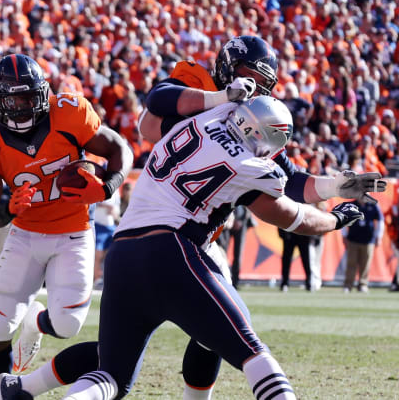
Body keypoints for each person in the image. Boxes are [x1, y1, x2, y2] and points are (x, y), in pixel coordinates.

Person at [0, 35, 386, 400]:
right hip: (178, 242)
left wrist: (335, 187)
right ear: (228, 70)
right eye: (250, 79)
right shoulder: (221, 117)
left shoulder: (202, 119)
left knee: (115, 371)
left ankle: (22, 388)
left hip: (134, 243)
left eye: (262, 85)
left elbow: (163, 123)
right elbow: (286, 208)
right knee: (245, 341)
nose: (256, 90)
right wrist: (335, 218)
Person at [60, 96, 364, 400]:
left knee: (112, 377)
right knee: (252, 352)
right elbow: (294, 218)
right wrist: (335, 219)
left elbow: (158, 104)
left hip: (123, 252)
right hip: (170, 250)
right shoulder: (251, 166)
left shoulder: (202, 117)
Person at [0, 53, 133, 392]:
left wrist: (108, 187)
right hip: (25, 234)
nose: (22, 106)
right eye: (13, 98)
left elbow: (121, 149)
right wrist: (6, 210)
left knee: (68, 325)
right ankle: (3, 391)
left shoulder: (69, 113)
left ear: (42, 93)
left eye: (28, 96)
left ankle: (37, 323)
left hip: (73, 232)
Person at [342, 196, 384, 293]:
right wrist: (344, 235)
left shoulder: (374, 205)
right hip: (353, 239)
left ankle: (363, 284)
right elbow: (344, 220)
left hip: (369, 240)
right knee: (351, 263)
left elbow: (380, 221)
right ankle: (348, 285)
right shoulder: (351, 205)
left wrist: (379, 236)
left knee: (365, 264)